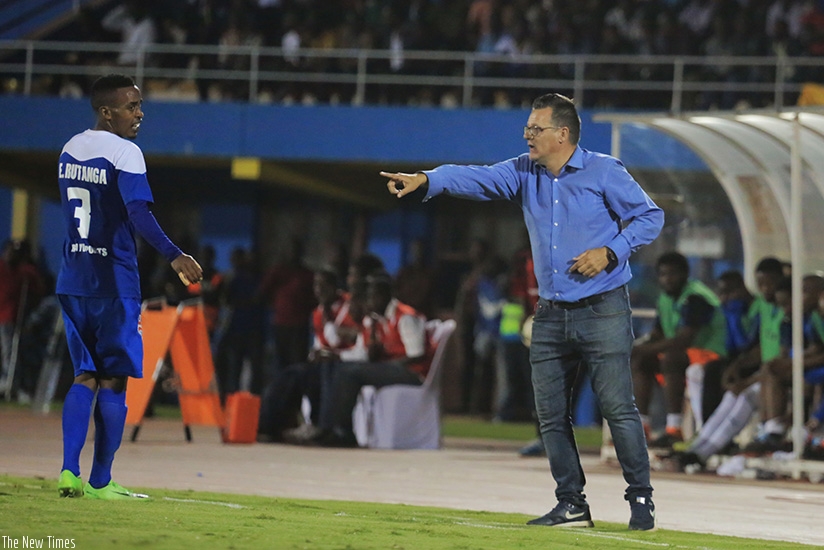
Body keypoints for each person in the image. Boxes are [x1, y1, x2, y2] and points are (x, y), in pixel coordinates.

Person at [380, 92, 664, 530]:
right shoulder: (522, 171)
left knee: (616, 407)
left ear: (563, 134)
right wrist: (426, 179)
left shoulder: (604, 170)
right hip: (550, 314)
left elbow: (650, 217)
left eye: (536, 129)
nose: (527, 136)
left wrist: (611, 251)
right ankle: (571, 503)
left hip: (604, 308)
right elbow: (476, 177)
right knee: (550, 414)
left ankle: (640, 500)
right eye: (527, 129)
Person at [56, 74, 203, 500]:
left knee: (83, 375)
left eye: (139, 105)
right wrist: (176, 254)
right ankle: (100, 481)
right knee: (115, 380)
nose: (140, 114)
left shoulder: (69, 148)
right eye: (131, 106)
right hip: (113, 282)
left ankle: (68, 472)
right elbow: (138, 214)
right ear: (106, 112)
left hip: (72, 278)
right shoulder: (126, 153)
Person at [631, 252, 727, 449]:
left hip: (710, 353)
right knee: (642, 361)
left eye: (673, 274)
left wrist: (644, 349)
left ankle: (674, 429)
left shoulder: (696, 297)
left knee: (670, 359)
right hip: (687, 354)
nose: (668, 279)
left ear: (685, 274)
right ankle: (641, 427)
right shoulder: (665, 298)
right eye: (663, 274)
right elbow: (658, 334)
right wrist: (637, 347)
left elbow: (684, 339)